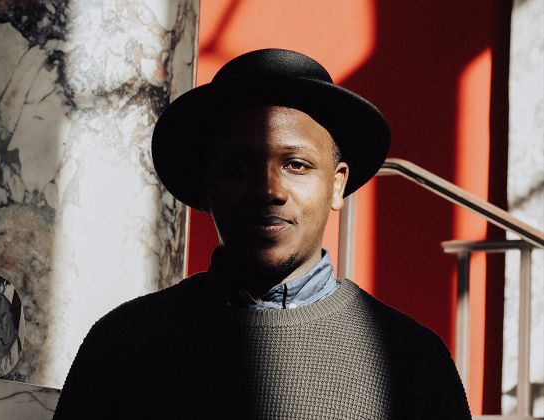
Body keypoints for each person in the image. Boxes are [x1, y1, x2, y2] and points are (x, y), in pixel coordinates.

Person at [53, 49, 471, 419]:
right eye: (239, 166)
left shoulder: (411, 359)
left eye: (296, 165)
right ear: (206, 186)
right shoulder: (124, 344)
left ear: (337, 185)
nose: (269, 190)